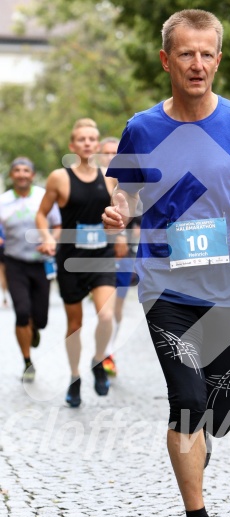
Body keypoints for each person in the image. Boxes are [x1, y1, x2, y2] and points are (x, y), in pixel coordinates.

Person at [102, 9, 230, 517]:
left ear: (218, 60)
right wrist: (119, 210)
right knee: (186, 402)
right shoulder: (143, 127)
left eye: (207, 53)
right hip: (167, 288)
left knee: (217, 413)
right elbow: (125, 188)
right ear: (167, 60)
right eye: (186, 53)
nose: (197, 64)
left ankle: (200, 443)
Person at [36, 118, 119, 407]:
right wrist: (46, 237)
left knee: (106, 316)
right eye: (81, 139)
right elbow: (41, 214)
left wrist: (119, 228)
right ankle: (74, 377)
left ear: (97, 145)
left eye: (91, 139)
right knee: (75, 325)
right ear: (72, 145)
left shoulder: (110, 177)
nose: (87, 143)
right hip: (71, 259)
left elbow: (119, 214)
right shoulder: (59, 178)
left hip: (101, 257)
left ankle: (98, 360)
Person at [0, 157, 61, 381]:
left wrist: (52, 241)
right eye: (17, 170)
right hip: (15, 263)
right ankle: (27, 361)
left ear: (32, 175)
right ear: (12, 176)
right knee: (22, 312)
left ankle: (34, 328)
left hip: (41, 263)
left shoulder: (43, 197)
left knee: (41, 319)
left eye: (26, 170)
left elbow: (57, 224)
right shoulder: (3, 201)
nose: (22, 174)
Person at [98, 137, 140, 377]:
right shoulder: (94, 182)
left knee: (117, 307)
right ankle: (102, 350)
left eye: (115, 153)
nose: (110, 157)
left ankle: (109, 351)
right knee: (103, 306)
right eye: (106, 153)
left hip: (124, 254)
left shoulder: (131, 183)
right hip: (97, 253)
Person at [0, 223, 9, 307]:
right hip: (1, 251)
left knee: (9, 274)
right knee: (2, 274)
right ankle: (5, 295)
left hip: (10, 251)